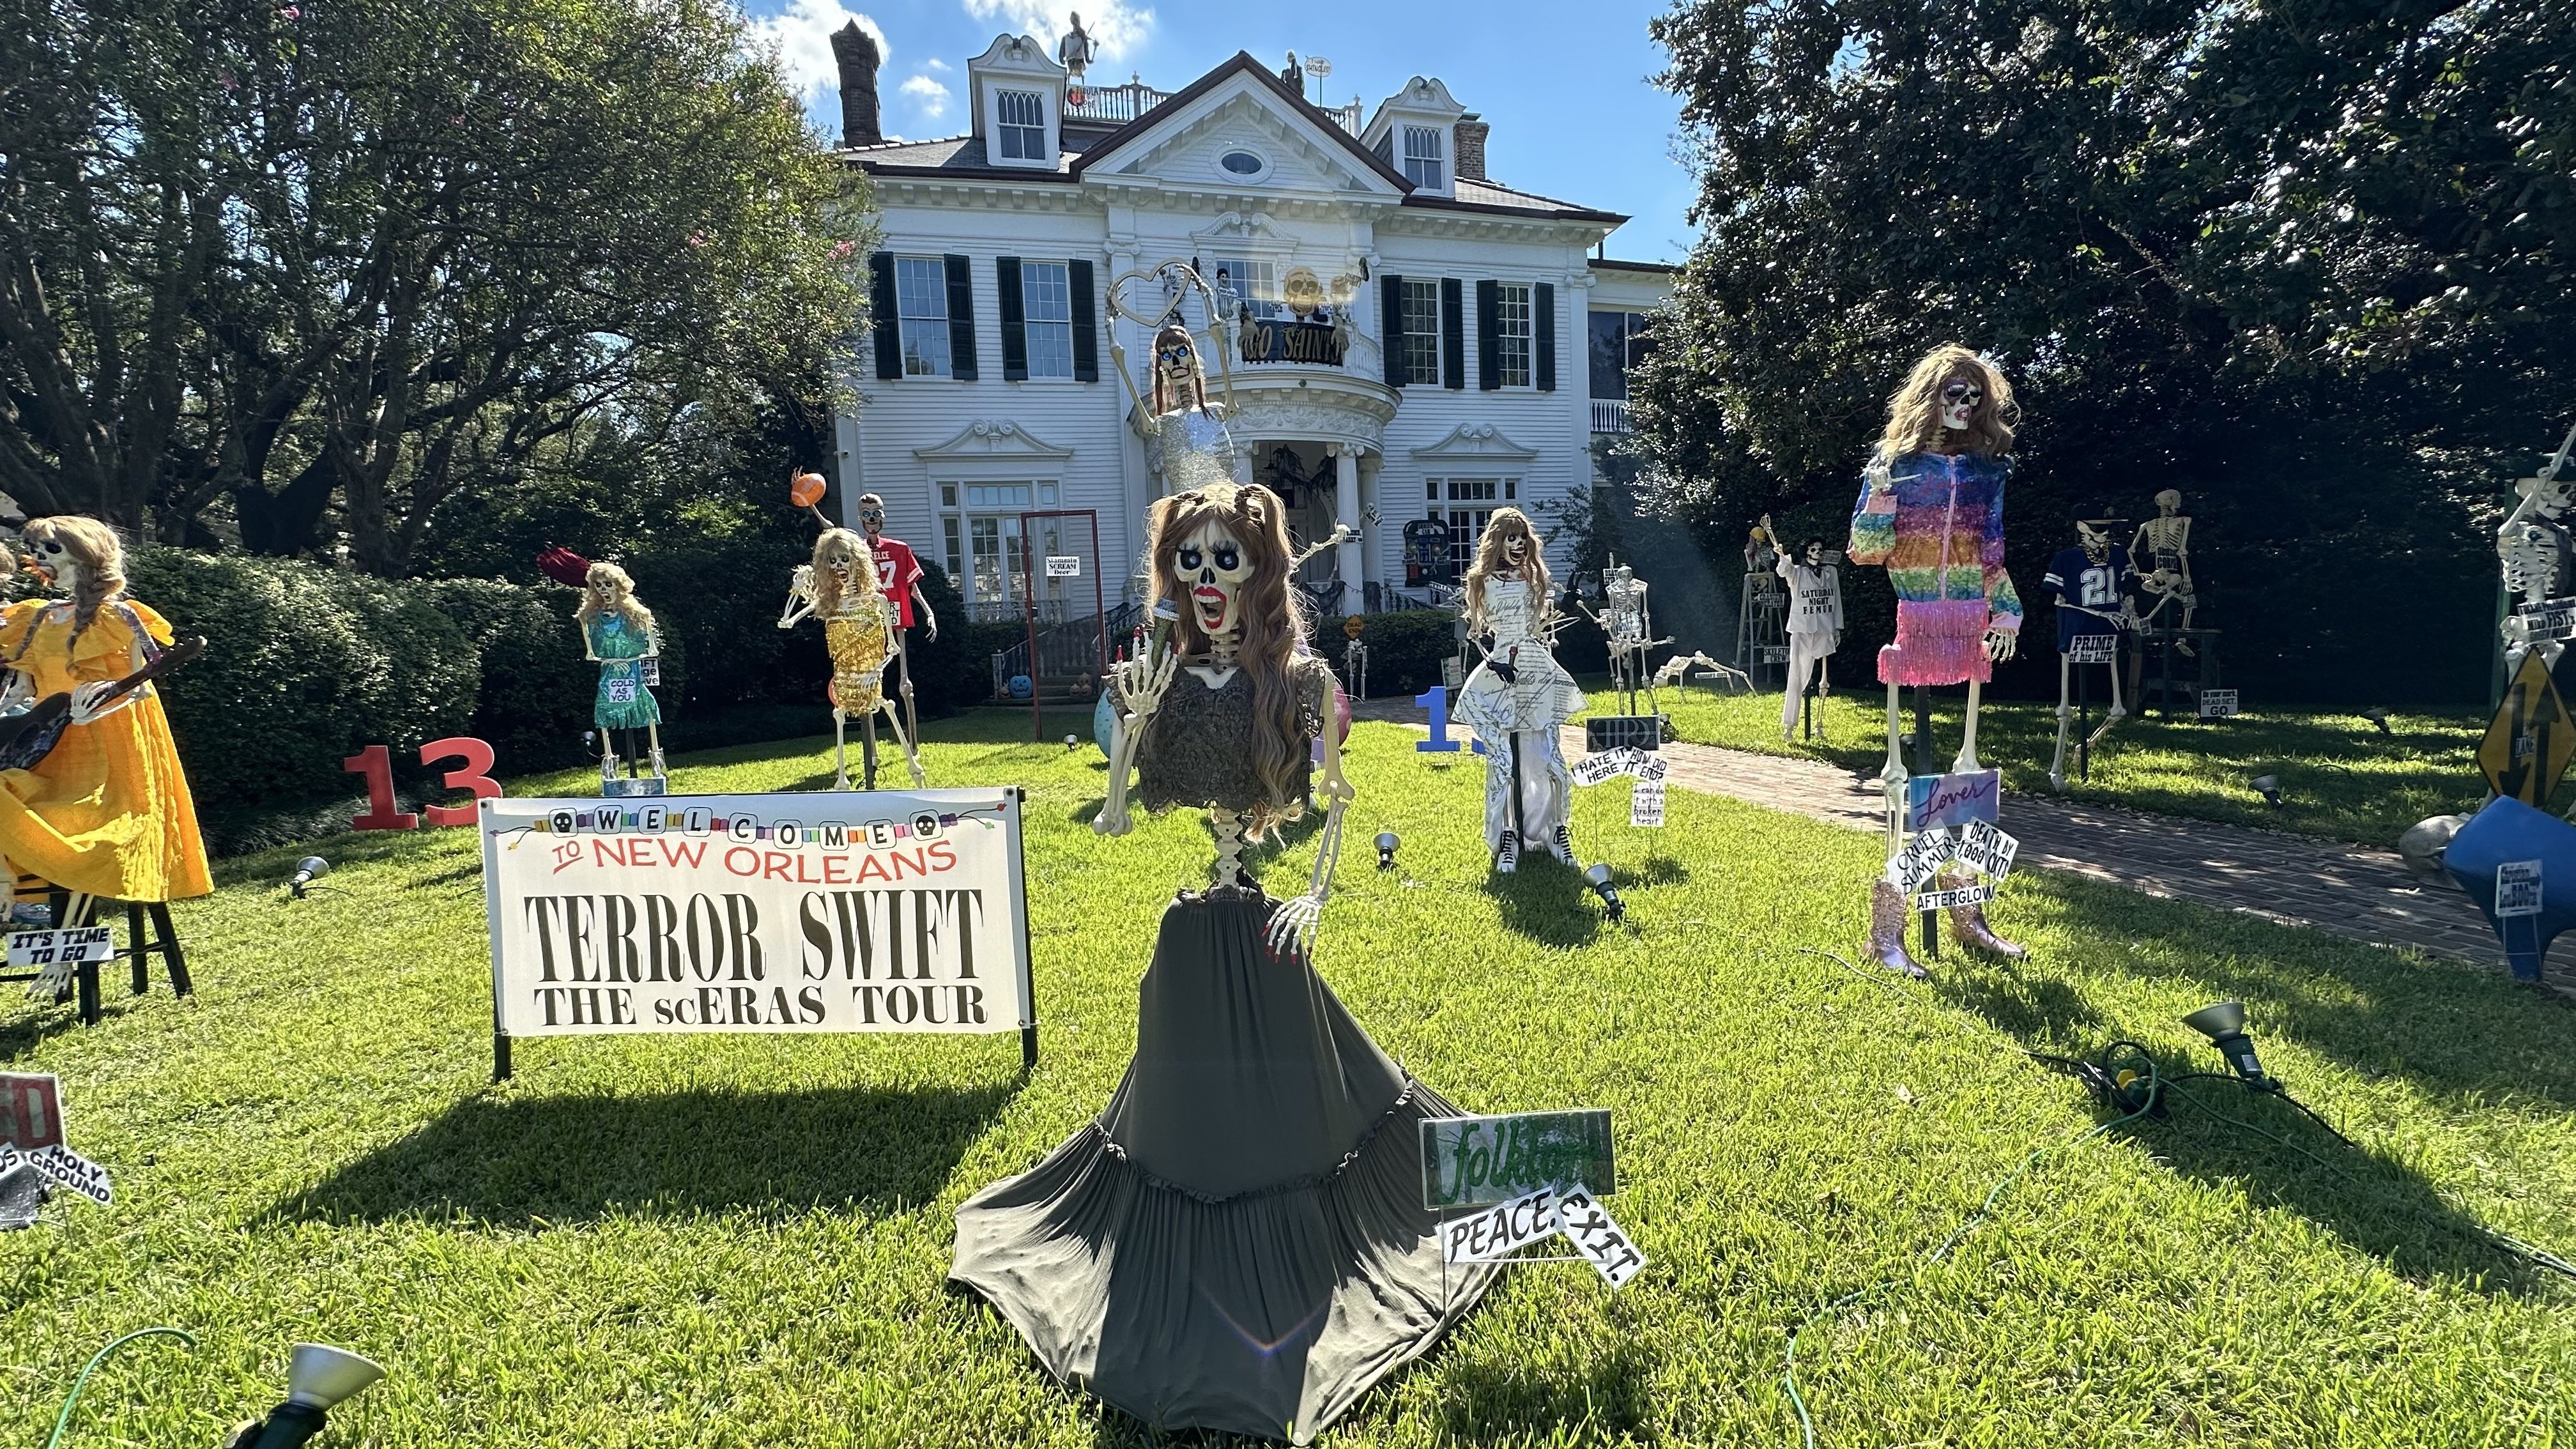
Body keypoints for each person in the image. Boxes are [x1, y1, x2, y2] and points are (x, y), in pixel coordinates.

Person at [951, 482, 1492, 1445]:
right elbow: (1119, 800)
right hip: (1208, 904)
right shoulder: (1163, 674)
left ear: (1259, 568)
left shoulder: (1299, 681)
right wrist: (1127, 741)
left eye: (1225, 558)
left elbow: (1339, 797)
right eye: (1189, 560)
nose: (1206, 578)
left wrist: (1316, 891)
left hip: (1269, 907)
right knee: (1182, 979)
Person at [1847, 344, 2026, 973]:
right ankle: (1886, 931)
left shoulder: (1987, 471)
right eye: (1955, 393)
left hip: (1972, 625)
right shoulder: (1896, 465)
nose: (1965, 406)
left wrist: (2008, 611)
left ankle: (1967, 914)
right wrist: (1878, 496)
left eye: (1975, 396)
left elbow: (1991, 552)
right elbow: (1866, 551)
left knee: (1967, 779)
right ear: (1931, 396)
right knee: (1901, 781)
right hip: (1917, 625)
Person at [0, 517, 210, 949]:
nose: (39, 558)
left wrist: (97, 708)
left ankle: (54, 937)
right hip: (46, 750)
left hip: (111, 755)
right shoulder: (36, 618)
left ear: (84, 553)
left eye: (50, 548)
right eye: (35, 550)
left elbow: (140, 690)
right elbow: (19, 692)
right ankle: (9, 892)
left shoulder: (120, 616)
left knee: (89, 826)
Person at [1455, 508, 1585, 871]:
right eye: (1510, 538)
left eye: (1522, 537)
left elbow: (1543, 624)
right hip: (1501, 667)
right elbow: (1475, 633)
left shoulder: (1534, 578)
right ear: (1498, 541)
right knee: (1503, 757)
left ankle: (1550, 830)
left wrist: (1563, 609)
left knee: (1544, 751)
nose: (1517, 545)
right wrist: (1492, 660)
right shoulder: (1482, 581)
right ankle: (1507, 834)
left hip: (1533, 666)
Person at [777, 528, 923, 789]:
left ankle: (914, 769)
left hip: (870, 675)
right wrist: (796, 592)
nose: (839, 566)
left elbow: (892, 648)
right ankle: (842, 780)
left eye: (844, 559)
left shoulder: (876, 601)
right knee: (840, 715)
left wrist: (876, 671)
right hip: (843, 676)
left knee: (886, 708)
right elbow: (790, 618)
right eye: (832, 561)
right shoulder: (831, 605)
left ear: (857, 560)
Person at [576, 562, 663, 786]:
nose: (604, 590)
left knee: (647, 710)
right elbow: (591, 654)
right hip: (609, 673)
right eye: (599, 586)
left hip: (632, 671)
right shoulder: (590, 617)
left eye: (608, 584)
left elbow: (651, 649)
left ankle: (656, 764)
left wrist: (628, 660)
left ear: (618, 585)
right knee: (605, 714)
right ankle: (610, 767)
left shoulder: (637, 614)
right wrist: (613, 662)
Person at [1777, 539, 1843, 739]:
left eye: (1820, 549)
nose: (1818, 552)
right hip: (1802, 629)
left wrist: (1837, 627)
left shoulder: (1830, 572)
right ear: (1807, 552)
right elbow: (1783, 571)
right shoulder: (1798, 572)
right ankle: (1790, 725)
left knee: (1824, 678)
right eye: (1814, 549)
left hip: (1824, 628)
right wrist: (1782, 556)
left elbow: (1836, 599)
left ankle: (1819, 725)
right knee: (1796, 675)